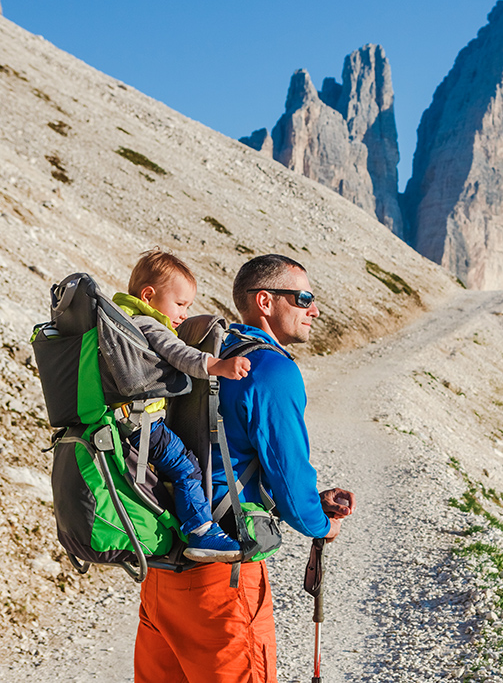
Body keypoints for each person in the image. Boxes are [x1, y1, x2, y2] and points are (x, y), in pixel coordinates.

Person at [134, 253, 356, 683]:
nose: (314, 309)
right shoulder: (272, 370)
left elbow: (228, 455)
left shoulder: (201, 350)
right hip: (221, 578)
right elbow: (291, 484)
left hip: (161, 573)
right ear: (265, 301)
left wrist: (313, 497)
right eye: (304, 297)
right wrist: (320, 523)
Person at [113, 248, 252, 563]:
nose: (184, 314)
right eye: (180, 304)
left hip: (125, 423)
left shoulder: (121, 320)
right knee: (186, 466)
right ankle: (201, 530)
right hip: (145, 425)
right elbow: (179, 354)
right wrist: (217, 365)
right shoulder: (149, 326)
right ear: (148, 296)